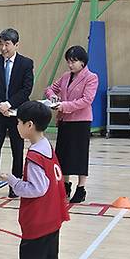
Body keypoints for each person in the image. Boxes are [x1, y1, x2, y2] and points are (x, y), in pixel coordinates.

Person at [0, 101, 70, 259]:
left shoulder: (34, 156)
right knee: (49, 257)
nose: (16, 126)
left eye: (18, 122)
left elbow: (36, 189)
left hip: (40, 218)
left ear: (29, 125)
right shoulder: (46, 146)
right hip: (53, 216)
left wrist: (12, 181)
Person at [0, 28, 34, 198]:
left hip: (16, 114)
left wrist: (9, 104)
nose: (3, 48)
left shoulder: (26, 63)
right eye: (1, 43)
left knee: (17, 150)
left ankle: (15, 185)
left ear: (16, 45)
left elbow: (26, 89)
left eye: (7, 44)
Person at [45, 45, 99, 203]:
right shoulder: (65, 76)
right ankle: (65, 185)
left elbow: (87, 100)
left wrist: (65, 106)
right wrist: (53, 97)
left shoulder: (91, 77)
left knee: (80, 156)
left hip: (81, 122)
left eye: (73, 61)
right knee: (63, 155)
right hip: (64, 121)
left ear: (82, 62)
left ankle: (81, 188)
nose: (70, 65)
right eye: (68, 61)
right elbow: (49, 89)